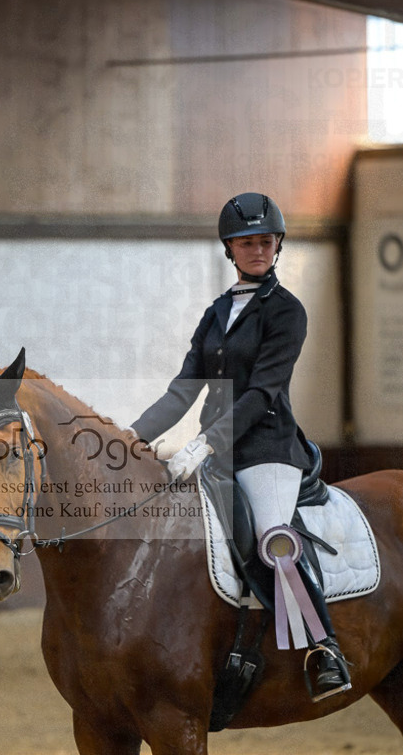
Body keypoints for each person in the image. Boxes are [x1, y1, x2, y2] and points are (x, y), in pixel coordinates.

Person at [131, 191, 350, 700]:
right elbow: (184, 387)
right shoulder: (216, 312)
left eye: (266, 242)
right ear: (230, 249)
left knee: (273, 542)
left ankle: (324, 649)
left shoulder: (287, 311)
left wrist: (205, 443)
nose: (257, 250)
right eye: (246, 242)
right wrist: (129, 438)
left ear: (277, 246)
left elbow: (261, 392)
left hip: (267, 449)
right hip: (214, 448)